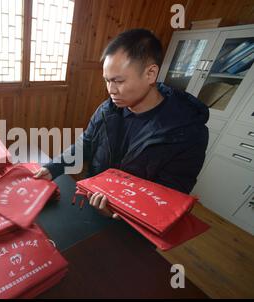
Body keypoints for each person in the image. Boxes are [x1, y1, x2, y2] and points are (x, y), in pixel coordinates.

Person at [34, 29, 209, 219]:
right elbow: (85, 143)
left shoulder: (188, 131)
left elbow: (169, 194)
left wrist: (120, 208)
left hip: (134, 221)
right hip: (91, 197)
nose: (111, 90)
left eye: (118, 81)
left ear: (150, 74)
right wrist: (53, 168)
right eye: (107, 81)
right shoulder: (107, 109)